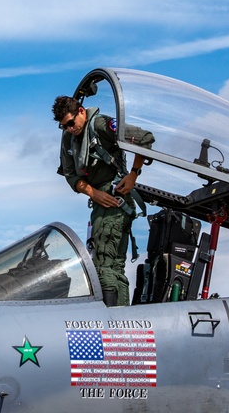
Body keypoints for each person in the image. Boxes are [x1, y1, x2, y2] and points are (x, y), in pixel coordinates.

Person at [52, 95, 153, 306]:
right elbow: (71, 176)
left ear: (81, 111)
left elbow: (144, 138)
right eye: (64, 126)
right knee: (111, 264)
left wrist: (133, 174)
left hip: (116, 199)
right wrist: (92, 193)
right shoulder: (68, 138)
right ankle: (122, 320)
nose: (70, 128)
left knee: (103, 264)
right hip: (100, 201)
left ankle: (114, 321)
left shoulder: (99, 125)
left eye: (71, 123)